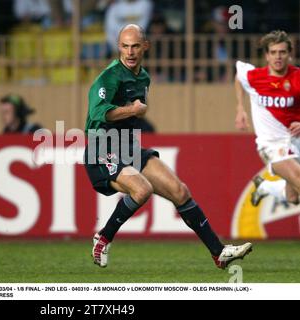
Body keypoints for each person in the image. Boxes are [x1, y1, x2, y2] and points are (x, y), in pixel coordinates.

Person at [84, 24, 252, 269]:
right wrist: (132, 110)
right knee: (142, 189)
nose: (130, 52)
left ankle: (219, 252)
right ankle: (104, 237)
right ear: (118, 47)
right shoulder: (109, 76)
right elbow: (98, 112)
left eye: (135, 46)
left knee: (179, 191)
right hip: (101, 148)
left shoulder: (144, 77)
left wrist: (132, 115)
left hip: (127, 147)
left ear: (145, 47)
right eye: (124, 46)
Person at [235, 30, 300, 206]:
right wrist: (240, 108)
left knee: (294, 198)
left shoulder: (297, 78)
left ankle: (264, 187)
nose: (278, 57)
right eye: (273, 52)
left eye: (282, 52)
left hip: (295, 143)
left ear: (289, 55)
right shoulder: (255, 77)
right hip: (271, 145)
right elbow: (239, 77)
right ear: (266, 56)